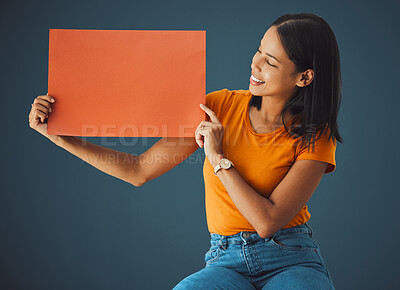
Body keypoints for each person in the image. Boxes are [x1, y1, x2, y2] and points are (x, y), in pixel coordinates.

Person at [28, 12, 342, 290]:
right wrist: (60, 137)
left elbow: (267, 222)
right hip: (226, 260)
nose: (255, 63)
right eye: (259, 49)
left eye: (270, 61)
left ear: (304, 77)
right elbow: (139, 170)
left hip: (290, 257)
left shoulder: (317, 135)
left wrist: (218, 158)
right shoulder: (217, 106)